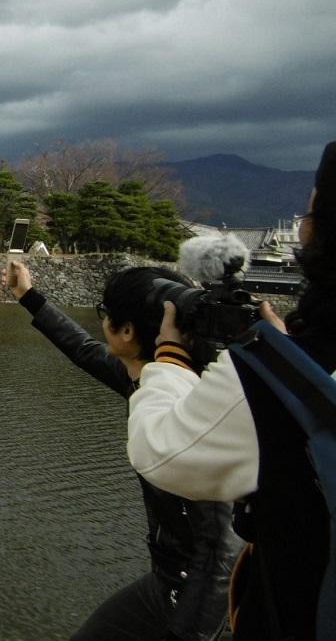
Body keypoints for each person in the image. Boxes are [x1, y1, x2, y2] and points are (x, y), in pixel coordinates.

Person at [128, 141, 336, 639]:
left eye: (311, 210)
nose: (302, 226)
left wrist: (170, 357)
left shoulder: (280, 376)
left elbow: (161, 453)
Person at [3, 259, 241, 640]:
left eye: (105, 314)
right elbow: (82, 349)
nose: (102, 324)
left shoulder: (191, 411)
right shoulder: (147, 381)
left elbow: (223, 548)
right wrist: (28, 296)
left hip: (200, 593)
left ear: (126, 331)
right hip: (167, 579)